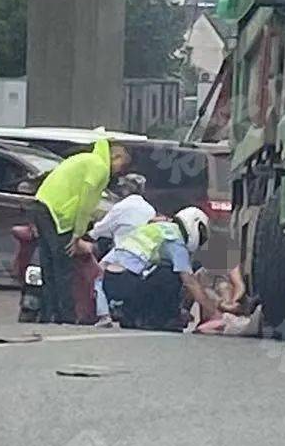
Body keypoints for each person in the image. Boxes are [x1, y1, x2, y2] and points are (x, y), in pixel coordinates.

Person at [33, 137, 131, 324]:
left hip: (42, 204)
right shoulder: (99, 167)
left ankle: (48, 314)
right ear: (115, 156)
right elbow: (86, 201)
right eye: (121, 165)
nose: (120, 171)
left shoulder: (87, 158)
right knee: (63, 264)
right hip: (57, 212)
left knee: (49, 264)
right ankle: (66, 316)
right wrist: (78, 233)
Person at [101, 206, 219, 332]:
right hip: (127, 282)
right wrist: (214, 313)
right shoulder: (174, 239)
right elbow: (189, 281)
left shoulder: (155, 228)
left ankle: (133, 315)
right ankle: (161, 318)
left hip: (110, 279)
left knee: (154, 271)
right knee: (169, 275)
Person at [87, 173, 156, 328]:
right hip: (145, 253)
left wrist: (89, 234)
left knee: (96, 275)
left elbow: (102, 228)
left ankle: (104, 315)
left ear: (125, 189)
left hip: (123, 251)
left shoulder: (120, 207)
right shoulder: (149, 209)